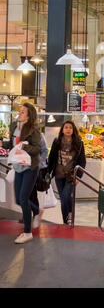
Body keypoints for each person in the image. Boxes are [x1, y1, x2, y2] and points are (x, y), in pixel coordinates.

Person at [3, 103, 41, 244]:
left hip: (30, 167)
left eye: (23, 112)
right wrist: (3, 144)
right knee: (19, 200)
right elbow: (12, 144)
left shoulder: (33, 130)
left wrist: (25, 146)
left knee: (23, 198)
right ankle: (36, 211)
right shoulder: (14, 126)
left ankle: (27, 232)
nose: (19, 113)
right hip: (18, 166)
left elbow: (37, 149)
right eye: (19, 111)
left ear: (29, 115)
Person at [47, 121, 86, 225]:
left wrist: (78, 176)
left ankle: (68, 217)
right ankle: (67, 217)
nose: (68, 129)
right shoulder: (57, 141)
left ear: (73, 130)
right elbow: (51, 158)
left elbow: (82, 161)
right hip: (58, 174)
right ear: (62, 130)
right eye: (66, 127)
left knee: (65, 196)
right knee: (64, 197)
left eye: (70, 127)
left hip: (71, 175)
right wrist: (48, 172)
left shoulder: (79, 142)